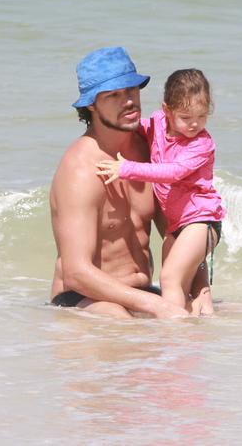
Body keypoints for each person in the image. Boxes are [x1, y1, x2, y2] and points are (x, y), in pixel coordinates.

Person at [49, 46, 190, 318]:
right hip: (83, 297)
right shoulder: (80, 168)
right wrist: (158, 305)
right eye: (114, 95)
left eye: (132, 90)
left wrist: (198, 289)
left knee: (223, 314)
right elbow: (76, 273)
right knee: (119, 319)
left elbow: (177, 232)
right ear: (91, 105)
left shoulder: (149, 150)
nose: (128, 101)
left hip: (141, 292)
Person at [96, 69, 226, 315]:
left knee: (169, 279)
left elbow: (174, 172)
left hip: (202, 221)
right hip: (175, 225)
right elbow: (141, 129)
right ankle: (194, 340)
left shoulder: (202, 144)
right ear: (167, 110)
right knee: (184, 290)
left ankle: (170, 338)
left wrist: (127, 169)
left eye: (202, 116)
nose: (195, 124)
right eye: (186, 117)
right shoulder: (157, 123)